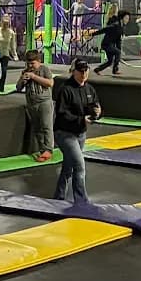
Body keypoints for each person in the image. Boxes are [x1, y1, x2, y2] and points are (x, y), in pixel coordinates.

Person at [53, 58, 100, 203]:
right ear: (73, 72)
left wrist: (97, 113)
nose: (83, 74)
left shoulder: (89, 89)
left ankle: (59, 196)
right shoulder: (65, 90)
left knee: (68, 166)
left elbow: (94, 106)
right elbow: (62, 114)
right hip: (64, 133)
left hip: (80, 133)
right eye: (80, 71)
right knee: (79, 166)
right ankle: (81, 201)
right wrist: (81, 119)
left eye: (85, 70)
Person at [16, 49, 55, 162]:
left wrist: (34, 77)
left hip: (44, 102)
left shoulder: (45, 69)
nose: (30, 65)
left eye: (32, 63)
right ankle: (42, 149)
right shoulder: (25, 72)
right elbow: (18, 88)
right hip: (31, 103)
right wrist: (22, 80)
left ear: (39, 61)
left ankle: (48, 149)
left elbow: (50, 83)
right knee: (37, 128)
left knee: (46, 126)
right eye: (28, 63)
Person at [92, 10, 129, 76]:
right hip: (106, 44)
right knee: (117, 52)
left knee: (110, 62)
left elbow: (118, 40)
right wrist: (92, 34)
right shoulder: (115, 25)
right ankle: (115, 70)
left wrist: (119, 49)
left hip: (111, 45)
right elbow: (104, 30)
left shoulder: (122, 28)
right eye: (126, 18)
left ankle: (97, 70)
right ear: (122, 18)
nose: (127, 20)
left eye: (128, 19)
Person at [0, 15, 18, 92]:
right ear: (1, 22)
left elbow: (13, 45)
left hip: (5, 54)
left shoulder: (11, 33)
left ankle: (1, 87)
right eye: (4, 23)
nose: (6, 25)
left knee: (4, 71)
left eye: (7, 23)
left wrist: (15, 55)